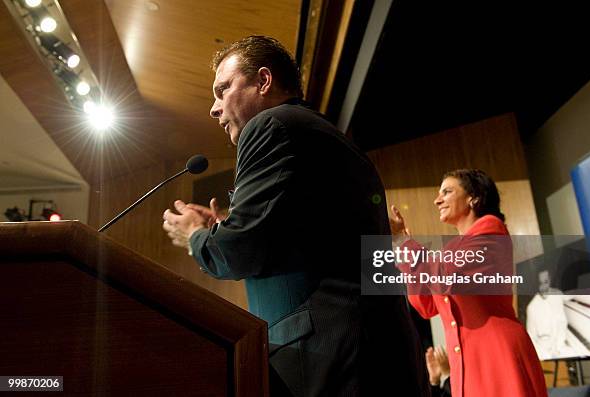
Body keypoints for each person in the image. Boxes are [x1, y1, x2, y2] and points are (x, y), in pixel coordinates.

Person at [162, 36, 429, 396]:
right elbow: (295, 236)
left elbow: (240, 251)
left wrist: (197, 236)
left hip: (331, 359)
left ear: (263, 81)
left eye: (223, 89)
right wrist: (221, 228)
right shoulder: (317, 132)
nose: (214, 108)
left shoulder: (270, 126)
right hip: (368, 353)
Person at [390, 169, 547, 397]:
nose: (437, 200)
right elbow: (425, 306)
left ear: (474, 197)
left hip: (497, 357)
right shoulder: (453, 249)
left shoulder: (491, 230)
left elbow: (444, 277)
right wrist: (403, 249)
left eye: (447, 191)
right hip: (466, 363)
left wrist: (406, 244)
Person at [526, 269, 573, 360]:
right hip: (545, 352)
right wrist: (547, 355)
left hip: (562, 346)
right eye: (540, 283)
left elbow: (572, 296)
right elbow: (531, 338)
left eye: (546, 282)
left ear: (550, 280)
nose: (543, 286)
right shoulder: (532, 308)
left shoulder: (557, 294)